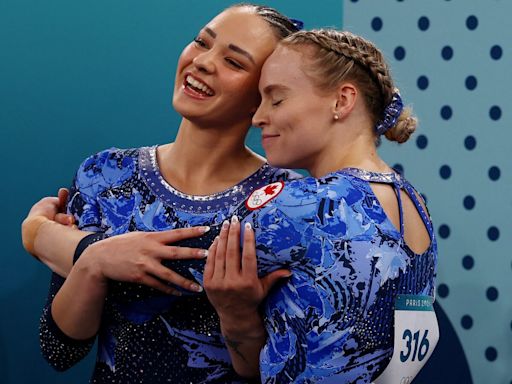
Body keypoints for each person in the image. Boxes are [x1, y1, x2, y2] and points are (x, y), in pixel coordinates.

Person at [21, 4, 301, 383]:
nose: (202, 62)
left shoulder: (289, 201)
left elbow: (280, 372)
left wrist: (237, 314)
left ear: (263, 97)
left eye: (234, 63)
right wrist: (94, 259)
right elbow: (59, 350)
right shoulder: (104, 175)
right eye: (202, 42)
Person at [202, 29, 438, 383]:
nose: (257, 117)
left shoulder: (308, 204)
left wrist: (89, 245)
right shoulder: (416, 205)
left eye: (276, 99)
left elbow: (179, 254)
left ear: (342, 101)